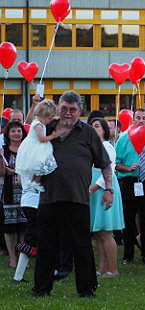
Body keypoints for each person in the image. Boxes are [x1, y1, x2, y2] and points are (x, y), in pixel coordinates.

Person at [32, 90, 113, 298]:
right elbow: (30, 130)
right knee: (46, 245)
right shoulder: (47, 127)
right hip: (49, 196)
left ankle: (86, 290)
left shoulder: (88, 133)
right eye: (64, 108)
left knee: (82, 246)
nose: (68, 113)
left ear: (80, 111)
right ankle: (41, 288)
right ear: (58, 108)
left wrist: (109, 190)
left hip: (78, 198)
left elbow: (105, 164)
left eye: (73, 109)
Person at [115, 109, 145, 265]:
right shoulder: (123, 139)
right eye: (138, 118)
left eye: (144, 118)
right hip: (129, 181)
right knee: (128, 220)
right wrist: (127, 168)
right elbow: (115, 164)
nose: (141, 120)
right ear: (132, 120)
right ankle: (128, 255)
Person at [88, 118, 125, 278]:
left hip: (103, 188)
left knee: (106, 231)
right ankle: (102, 268)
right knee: (98, 232)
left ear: (104, 130)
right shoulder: (90, 146)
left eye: (97, 126)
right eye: (92, 126)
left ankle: (113, 269)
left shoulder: (107, 146)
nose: (94, 128)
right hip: (93, 189)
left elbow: (108, 169)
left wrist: (94, 187)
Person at [16, 100, 60, 209]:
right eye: (49, 118)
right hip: (36, 147)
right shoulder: (39, 125)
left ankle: (35, 181)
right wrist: (52, 136)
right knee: (40, 164)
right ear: (43, 115)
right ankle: (35, 182)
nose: (50, 121)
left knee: (39, 166)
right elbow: (41, 138)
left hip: (34, 146)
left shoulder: (37, 121)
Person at [1, 121, 28, 269]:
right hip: (9, 191)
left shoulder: (26, 149)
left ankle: (23, 256)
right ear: (8, 134)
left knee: (24, 225)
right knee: (10, 226)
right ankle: (12, 257)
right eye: (13, 131)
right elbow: (1, 171)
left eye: (19, 131)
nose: (16, 133)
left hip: (26, 191)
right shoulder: (3, 150)